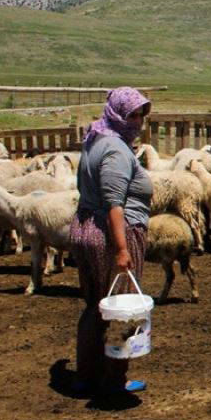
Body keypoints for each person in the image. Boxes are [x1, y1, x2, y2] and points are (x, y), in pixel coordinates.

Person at [70, 87, 153, 396]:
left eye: (141, 114)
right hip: (112, 235)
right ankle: (114, 379)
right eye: (131, 114)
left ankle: (85, 376)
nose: (137, 121)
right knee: (122, 307)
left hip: (87, 229)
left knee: (95, 304)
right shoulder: (116, 150)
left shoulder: (95, 140)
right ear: (117, 113)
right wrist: (121, 249)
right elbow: (114, 202)